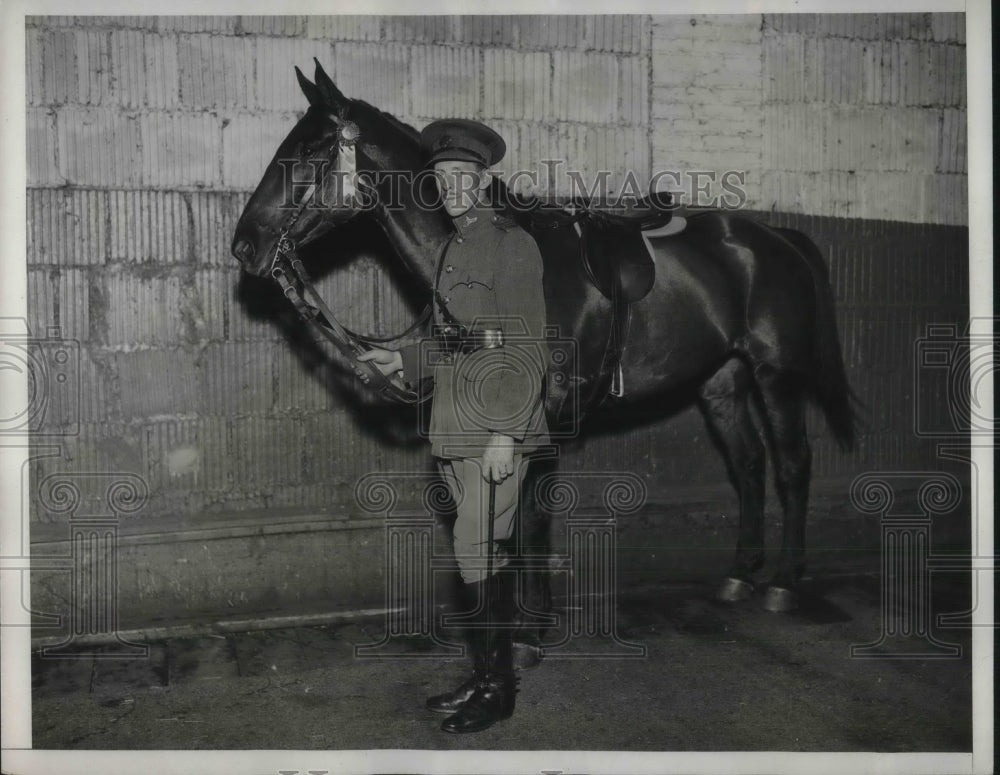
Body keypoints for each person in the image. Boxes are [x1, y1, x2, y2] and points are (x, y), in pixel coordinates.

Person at [356, 118, 550, 734]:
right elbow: (456, 342)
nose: (451, 189)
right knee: (475, 552)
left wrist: (506, 434)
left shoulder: (512, 244)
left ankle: (499, 688)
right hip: (453, 423)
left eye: (462, 177)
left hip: (495, 424)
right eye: (441, 179)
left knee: (477, 548)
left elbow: (529, 346)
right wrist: (402, 359)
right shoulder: (449, 250)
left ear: (483, 179)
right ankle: (485, 671)